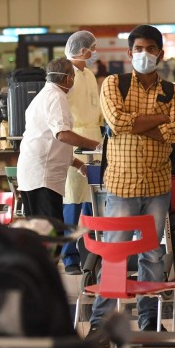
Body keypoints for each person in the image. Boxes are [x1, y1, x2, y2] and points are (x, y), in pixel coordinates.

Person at [85, 25, 175, 348]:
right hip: (121, 186)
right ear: (130, 54)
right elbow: (116, 121)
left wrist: (139, 123)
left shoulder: (174, 92)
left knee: (152, 257)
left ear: (161, 52)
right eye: (139, 48)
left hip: (158, 185)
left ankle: (150, 322)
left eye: (151, 48)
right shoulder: (114, 84)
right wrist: (159, 118)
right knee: (114, 255)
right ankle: (101, 327)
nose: (145, 54)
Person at [16, 58, 100, 224]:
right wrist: (97, 146)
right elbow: (62, 135)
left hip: (34, 174)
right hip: (42, 177)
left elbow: (51, 141)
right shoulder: (56, 97)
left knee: (40, 232)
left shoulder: (46, 95)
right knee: (51, 232)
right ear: (68, 78)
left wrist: (79, 165)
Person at [61, 31, 104, 274]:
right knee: (72, 202)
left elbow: (95, 106)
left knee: (93, 200)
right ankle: (69, 258)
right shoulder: (66, 74)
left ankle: (93, 254)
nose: (94, 52)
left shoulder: (89, 74)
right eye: (91, 48)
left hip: (94, 140)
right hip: (74, 139)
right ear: (80, 50)